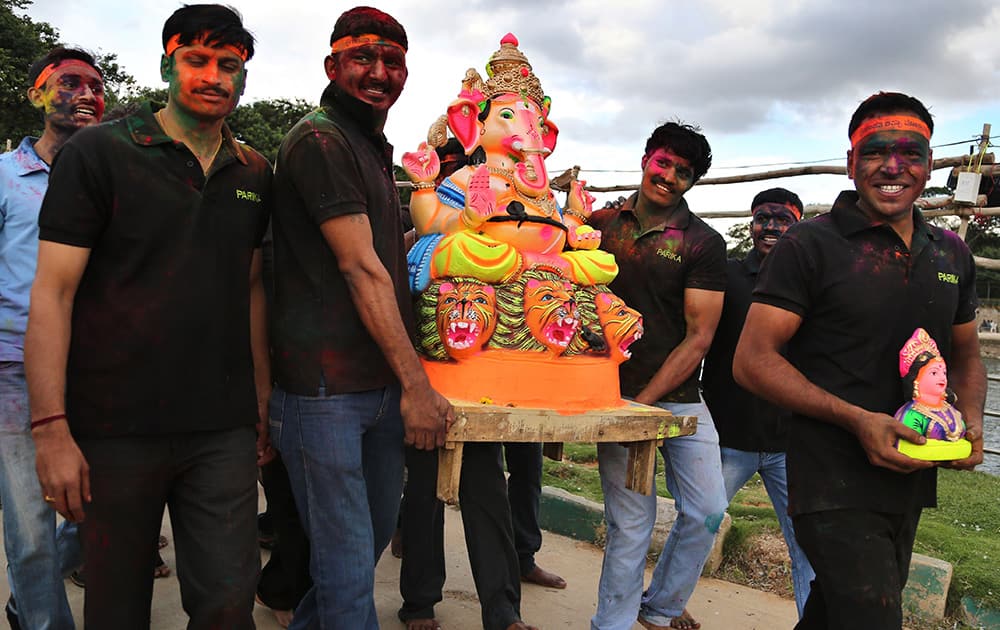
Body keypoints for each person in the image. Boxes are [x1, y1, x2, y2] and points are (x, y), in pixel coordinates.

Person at [25, 6, 272, 627]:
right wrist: (51, 429)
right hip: (113, 430)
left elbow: (251, 290)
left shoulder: (254, 173)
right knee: (115, 608)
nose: (213, 76)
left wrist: (261, 405)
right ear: (167, 64)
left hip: (222, 431)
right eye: (196, 59)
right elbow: (52, 294)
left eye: (229, 65)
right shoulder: (99, 154)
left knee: (226, 604)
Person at [734, 92, 985, 629]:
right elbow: (753, 360)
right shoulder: (809, 245)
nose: (893, 167)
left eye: (910, 153)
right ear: (851, 163)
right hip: (829, 477)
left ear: (930, 164)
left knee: (838, 613)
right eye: (875, 152)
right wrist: (856, 419)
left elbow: (966, 353)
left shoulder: (949, 254)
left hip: (912, 471)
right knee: (872, 615)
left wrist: (974, 422)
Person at [268, 7, 458, 629]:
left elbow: (387, 256)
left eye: (392, 61)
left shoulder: (372, 145)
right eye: (362, 58)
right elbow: (361, 269)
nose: (379, 72)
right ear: (332, 65)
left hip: (375, 384)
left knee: (365, 547)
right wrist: (418, 385)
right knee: (350, 575)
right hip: (325, 388)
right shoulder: (321, 140)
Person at [397, 140, 545, 630]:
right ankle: (419, 602)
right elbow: (428, 232)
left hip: (481, 382)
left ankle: (503, 612)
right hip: (427, 379)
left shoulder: (522, 199)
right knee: (423, 490)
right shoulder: (444, 207)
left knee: (487, 491)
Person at [588, 122, 729, 630]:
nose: (669, 177)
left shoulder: (704, 242)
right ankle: (613, 625)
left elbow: (699, 338)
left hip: (677, 399)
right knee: (630, 524)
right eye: (663, 163)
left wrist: (644, 403)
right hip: (612, 394)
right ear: (647, 157)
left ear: (693, 182)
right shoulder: (600, 223)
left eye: (683, 172)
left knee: (708, 510)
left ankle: (662, 606)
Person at [0, 45, 103, 630]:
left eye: (96, 85)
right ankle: (41, 619)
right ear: (37, 93)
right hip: (14, 369)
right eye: (70, 82)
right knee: (30, 528)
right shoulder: (6, 178)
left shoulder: (108, 179)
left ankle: (25, 600)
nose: (87, 93)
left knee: (91, 508)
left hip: (91, 369)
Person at [700, 187, 814, 617]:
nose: (770, 227)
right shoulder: (726, 277)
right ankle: (664, 605)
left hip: (790, 442)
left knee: (806, 540)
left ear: (798, 225)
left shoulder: (811, 284)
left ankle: (813, 619)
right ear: (751, 225)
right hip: (730, 435)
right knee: (699, 524)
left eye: (782, 219)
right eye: (762, 218)